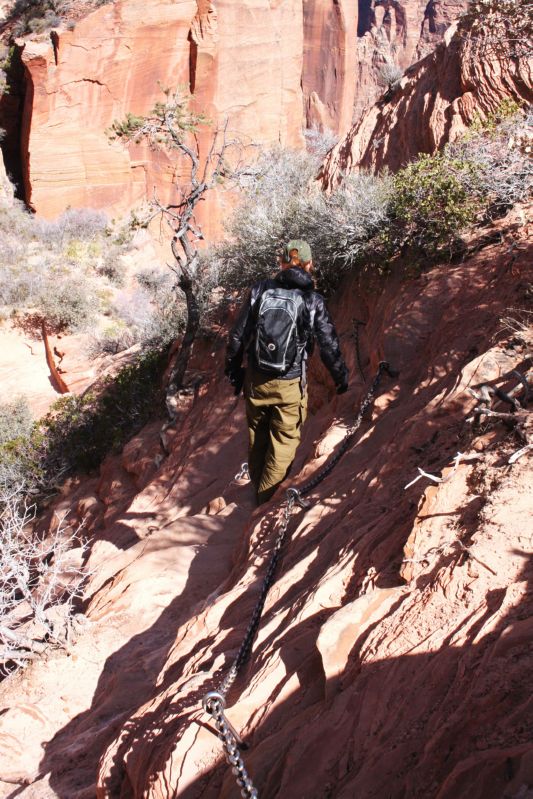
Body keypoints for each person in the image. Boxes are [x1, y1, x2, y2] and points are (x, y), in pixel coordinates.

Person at [225, 239, 349, 505]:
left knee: (257, 437)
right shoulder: (312, 300)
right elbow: (328, 345)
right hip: (289, 384)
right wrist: (341, 378)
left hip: (256, 379)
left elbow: (237, 336)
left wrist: (234, 372)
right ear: (309, 265)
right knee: (283, 443)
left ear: (280, 263)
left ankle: (257, 490)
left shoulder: (260, 290)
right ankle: (264, 502)